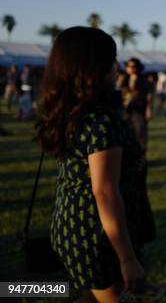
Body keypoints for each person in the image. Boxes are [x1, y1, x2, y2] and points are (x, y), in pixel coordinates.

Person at [34, 27, 157, 302]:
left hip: (73, 226)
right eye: (112, 60)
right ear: (93, 67)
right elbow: (105, 192)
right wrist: (127, 259)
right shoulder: (102, 122)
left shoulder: (76, 111)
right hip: (95, 236)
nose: (118, 67)